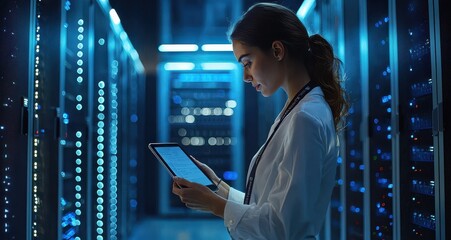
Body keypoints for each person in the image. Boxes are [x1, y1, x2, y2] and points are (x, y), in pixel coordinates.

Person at [172, 2, 349, 239]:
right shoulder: (298, 109)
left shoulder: (304, 118)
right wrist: (218, 186)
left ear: (277, 51)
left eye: (248, 63)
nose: (246, 76)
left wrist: (214, 204)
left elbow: (280, 228)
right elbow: (267, 207)